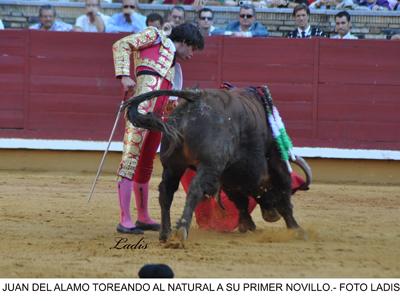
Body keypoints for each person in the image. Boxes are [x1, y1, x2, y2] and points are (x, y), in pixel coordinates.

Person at [112, 23, 204, 234]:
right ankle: (125, 219)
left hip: (157, 119)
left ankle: (143, 216)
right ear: (186, 42)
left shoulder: (175, 69)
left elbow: (169, 101)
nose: (193, 53)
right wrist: (124, 75)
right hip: (139, 113)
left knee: (145, 165)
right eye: (193, 48)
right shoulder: (156, 36)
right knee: (130, 161)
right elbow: (122, 44)